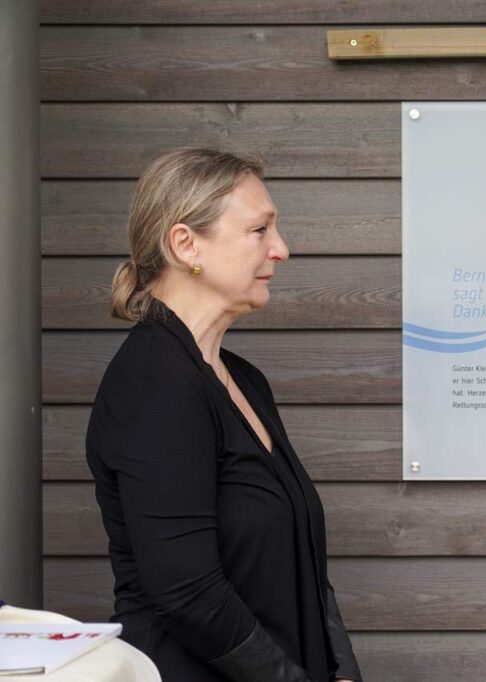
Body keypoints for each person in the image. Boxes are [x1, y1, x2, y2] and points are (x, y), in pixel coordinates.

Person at [85, 149, 362, 682]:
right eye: (260, 230)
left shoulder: (244, 380)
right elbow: (188, 592)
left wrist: (341, 671)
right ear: (185, 243)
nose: (281, 249)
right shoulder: (154, 384)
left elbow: (306, 558)